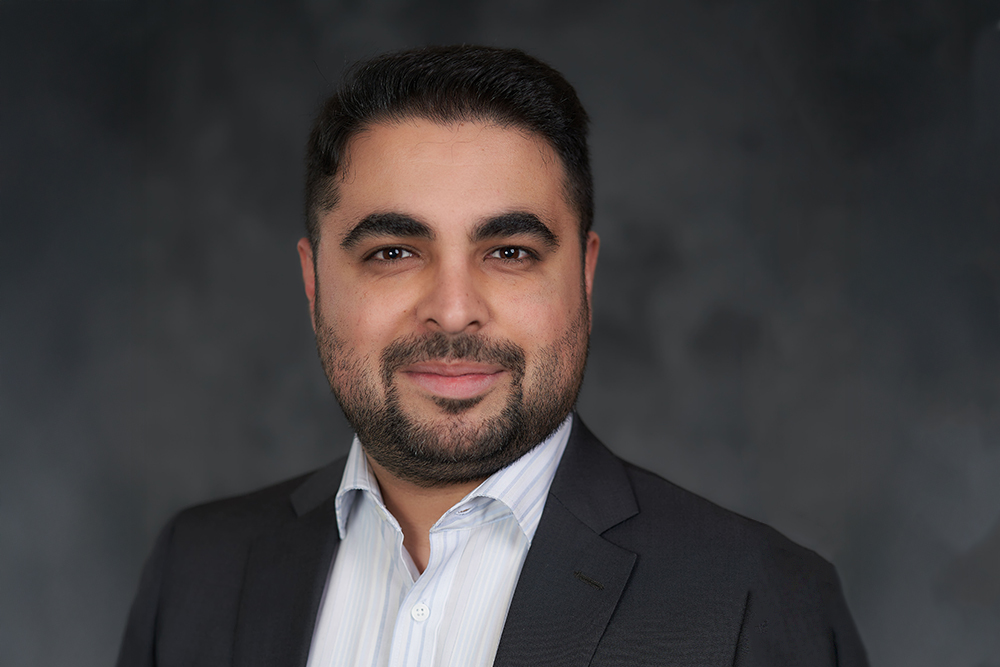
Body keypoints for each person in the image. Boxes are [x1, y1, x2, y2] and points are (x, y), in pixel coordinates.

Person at [116, 45, 868, 667]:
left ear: (585, 275)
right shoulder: (198, 571)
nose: (452, 307)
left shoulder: (759, 601)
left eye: (509, 251)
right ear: (314, 283)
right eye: (393, 251)